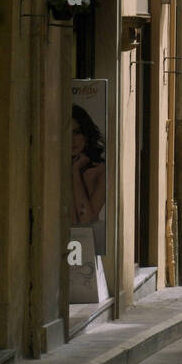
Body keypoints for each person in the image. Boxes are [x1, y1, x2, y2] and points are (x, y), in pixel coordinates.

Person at [71, 105, 107, 254]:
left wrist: (75, 173)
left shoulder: (100, 171)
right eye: (67, 132)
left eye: (77, 132)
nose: (72, 140)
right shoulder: (53, 168)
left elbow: (85, 219)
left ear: (86, 134)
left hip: (86, 245)